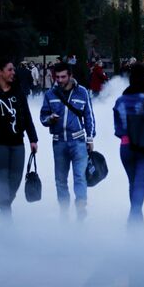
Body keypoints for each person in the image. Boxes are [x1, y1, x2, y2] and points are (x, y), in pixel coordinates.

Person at [0, 58, 39, 218]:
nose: (13, 72)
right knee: (3, 175)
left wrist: (33, 138)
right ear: (0, 72)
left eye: (13, 70)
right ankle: (5, 210)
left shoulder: (17, 90)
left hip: (17, 141)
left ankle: (6, 203)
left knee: (17, 177)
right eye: (10, 69)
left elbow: (26, 116)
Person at [40, 62, 96, 220]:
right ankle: (64, 210)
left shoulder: (82, 92)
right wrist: (49, 119)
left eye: (63, 76)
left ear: (70, 76)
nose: (59, 79)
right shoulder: (50, 94)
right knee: (60, 179)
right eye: (57, 77)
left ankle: (80, 208)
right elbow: (42, 116)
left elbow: (89, 116)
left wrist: (90, 138)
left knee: (80, 176)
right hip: (58, 141)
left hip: (78, 140)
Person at [113, 63, 144, 225]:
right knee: (140, 184)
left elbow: (118, 129)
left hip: (125, 147)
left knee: (132, 183)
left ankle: (136, 219)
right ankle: (134, 218)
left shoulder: (120, 101)